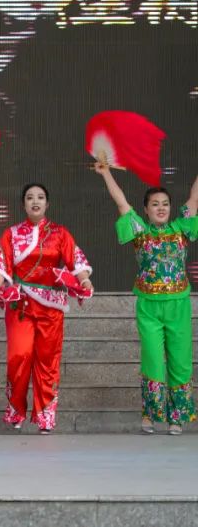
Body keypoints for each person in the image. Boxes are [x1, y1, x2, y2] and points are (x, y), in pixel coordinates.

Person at [95, 163, 198, 434]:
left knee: (180, 360)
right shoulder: (140, 231)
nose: (161, 208)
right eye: (155, 204)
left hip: (178, 304)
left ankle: (176, 418)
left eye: (165, 204)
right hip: (149, 307)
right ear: (146, 209)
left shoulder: (181, 228)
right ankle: (150, 415)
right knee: (152, 359)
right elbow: (121, 202)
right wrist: (106, 173)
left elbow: (194, 197)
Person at [0, 183, 93, 434]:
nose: (35, 201)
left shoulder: (60, 233)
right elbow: (0, 264)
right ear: (23, 204)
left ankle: (45, 414)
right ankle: (16, 410)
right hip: (20, 304)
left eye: (40, 197)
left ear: (47, 203)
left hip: (50, 307)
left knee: (48, 360)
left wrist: (84, 281)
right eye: (30, 197)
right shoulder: (11, 233)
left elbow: (77, 262)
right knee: (19, 356)